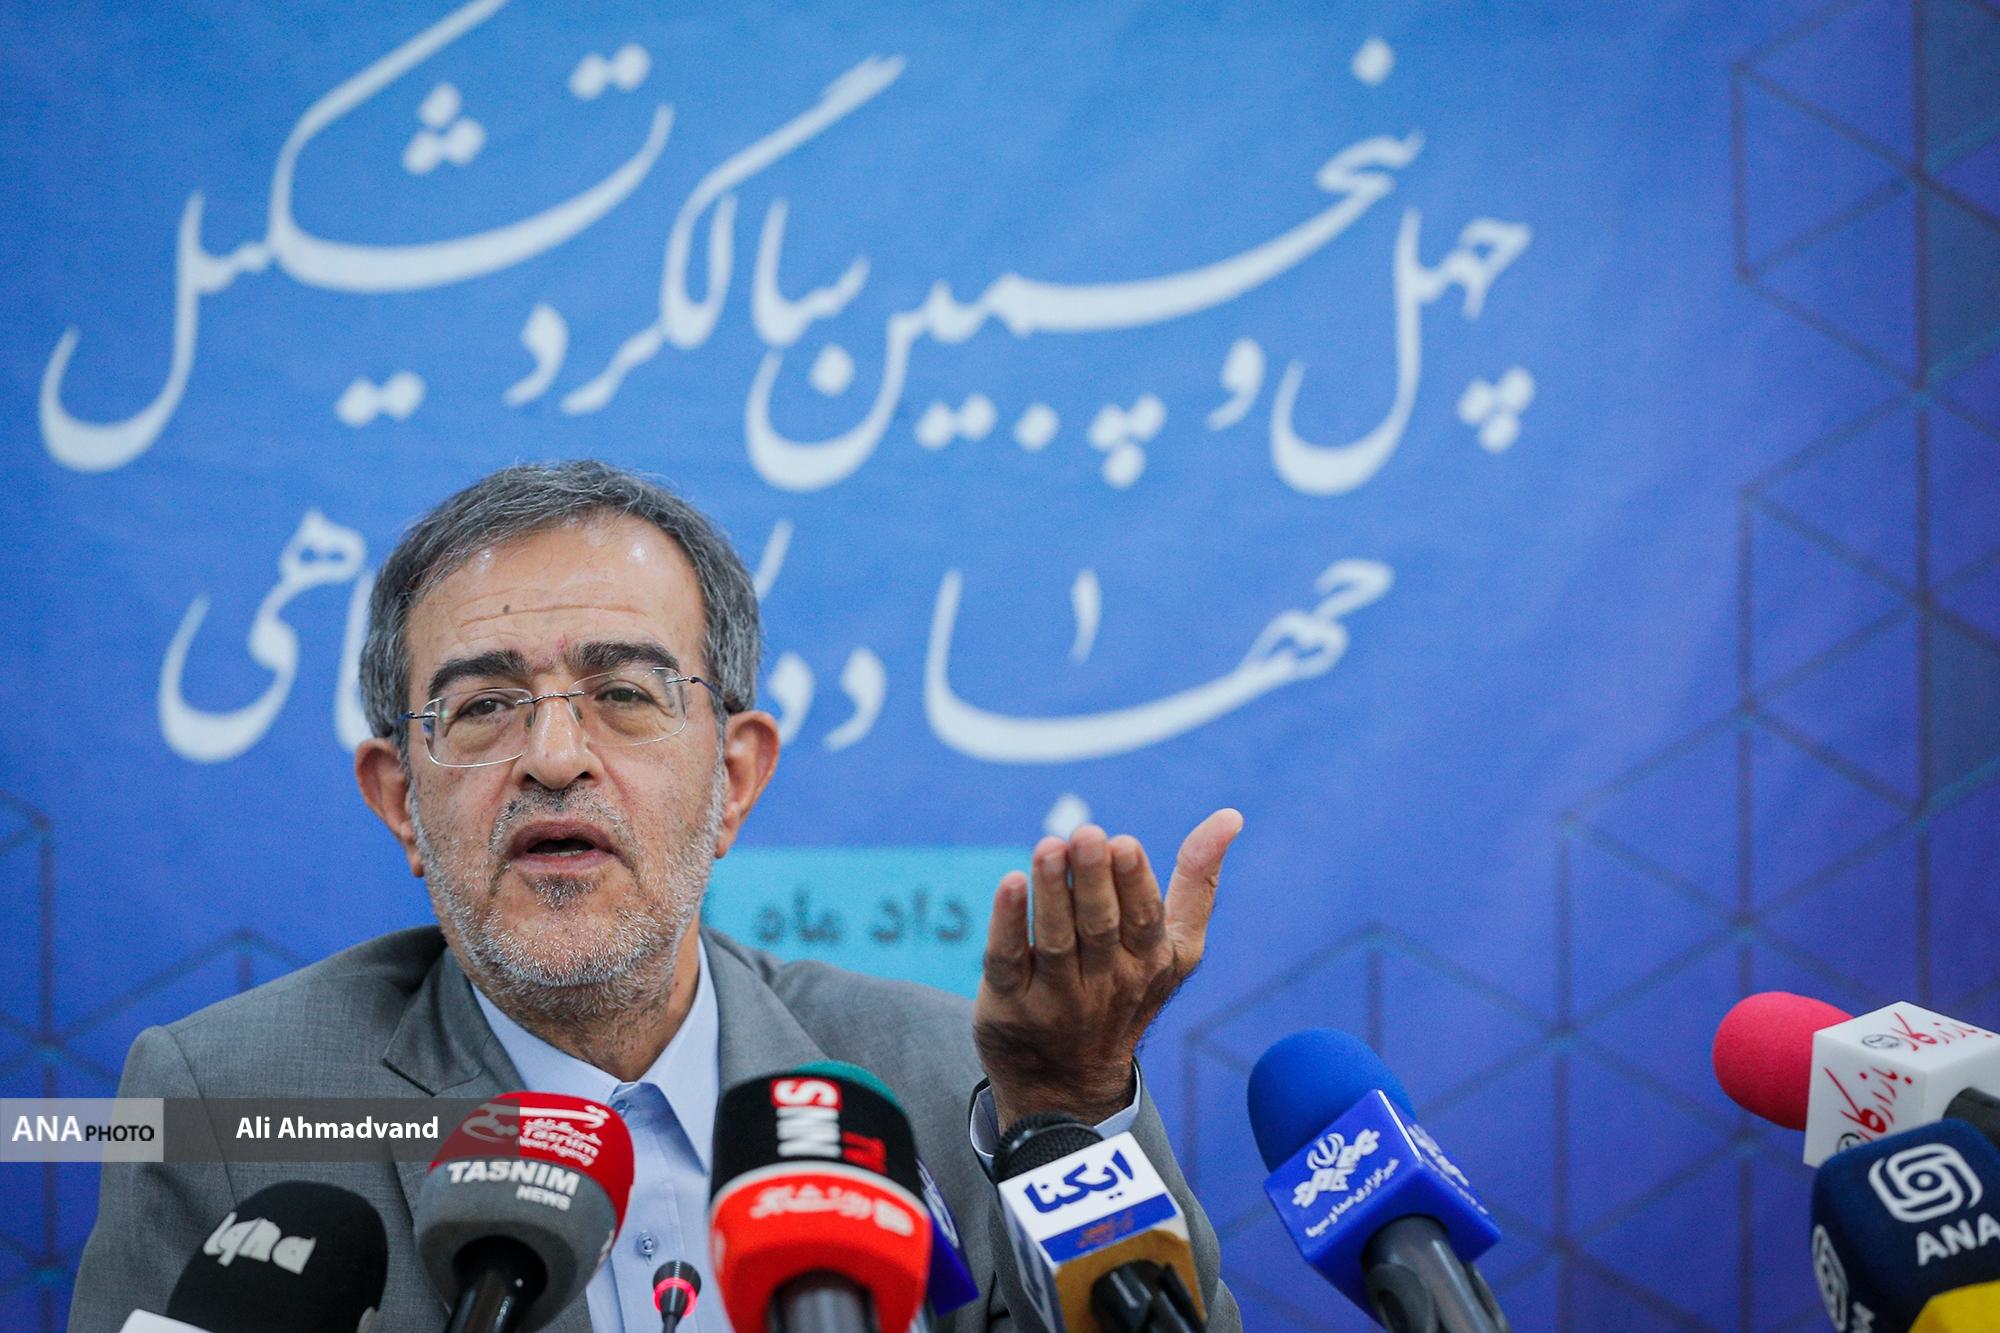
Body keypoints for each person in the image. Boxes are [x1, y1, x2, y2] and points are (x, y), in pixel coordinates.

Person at [71, 460, 1242, 1332]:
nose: (553, 758)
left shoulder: (951, 1085)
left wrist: (1068, 1110)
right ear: (399, 801)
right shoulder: (223, 1106)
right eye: (481, 708)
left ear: (734, 779)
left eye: (625, 695)